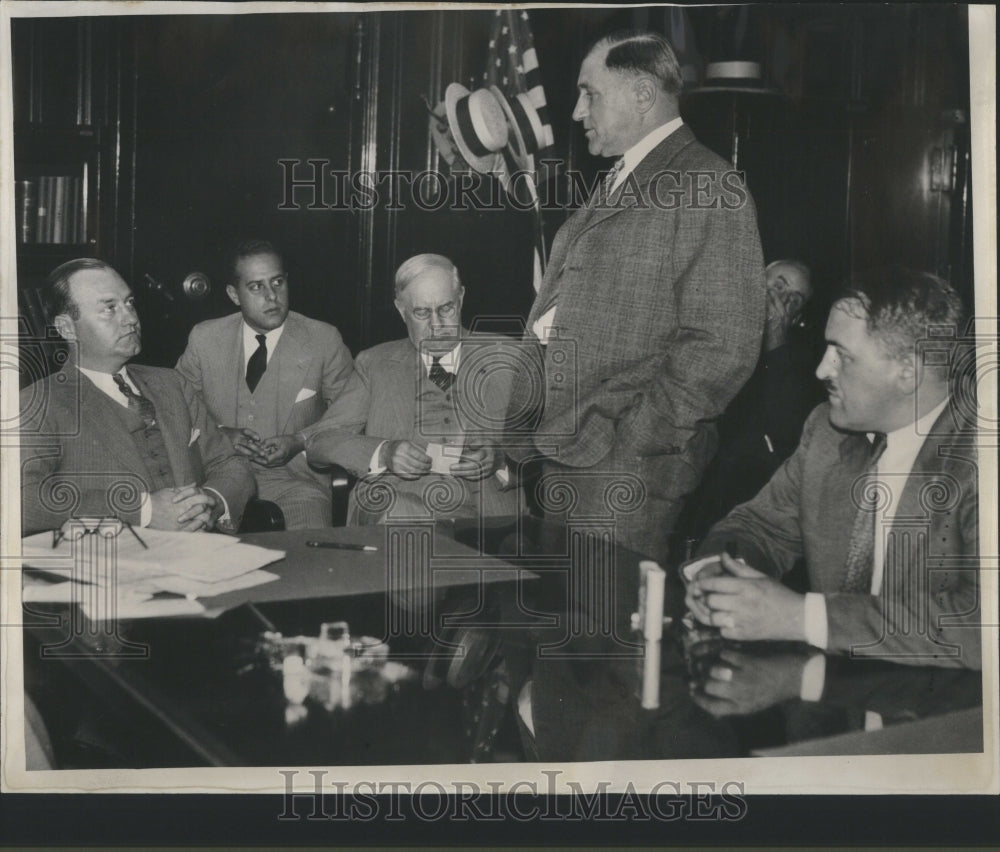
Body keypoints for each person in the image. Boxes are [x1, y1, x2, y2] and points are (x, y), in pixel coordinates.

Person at [504, 30, 766, 563]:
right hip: (568, 451)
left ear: (643, 95)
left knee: (605, 634)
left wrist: (632, 443)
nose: (578, 111)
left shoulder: (708, 183)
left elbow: (722, 345)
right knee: (571, 632)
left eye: (589, 93)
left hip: (626, 469)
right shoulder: (621, 177)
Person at [685, 267, 980, 674]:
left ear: (908, 372)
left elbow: (982, 625)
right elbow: (759, 527)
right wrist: (719, 575)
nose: (823, 370)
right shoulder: (826, 431)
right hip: (829, 703)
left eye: (842, 355)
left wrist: (802, 617)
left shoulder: (981, 459)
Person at [259, 254, 519, 524]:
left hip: (493, 518)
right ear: (400, 309)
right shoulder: (375, 364)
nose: (437, 325)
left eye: (446, 308)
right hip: (402, 505)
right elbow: (321, 442)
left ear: (461, 298)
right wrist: (384, 452)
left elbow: (547, 449)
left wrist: (501, 460)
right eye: (421, 313)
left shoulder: (509, 357)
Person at [20, 259, 254, 535]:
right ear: (67, 328)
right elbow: (19, 500)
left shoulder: (172, 384)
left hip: (202, 551)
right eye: (110, 308)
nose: (131, 318)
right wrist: (142, 510)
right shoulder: (38, 403)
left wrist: (211, 503)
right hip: (115, 563)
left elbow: (229, 463)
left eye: (129, 303)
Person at [176, 238, 354, 528]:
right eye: (256, 287)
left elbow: (350, 418)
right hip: (216, 479)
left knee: (308, 554)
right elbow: (176, 409)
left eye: (277, 282)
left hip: (295, 484)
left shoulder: (323, 339)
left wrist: (300, 442)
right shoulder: (205, 338)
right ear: (234, 295)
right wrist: (221, 434)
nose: (272, 296)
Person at [684, 259, 823, 538]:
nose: (780, 300)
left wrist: (775, 341)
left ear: (796, 319)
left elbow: (783, 432)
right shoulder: (705, 317)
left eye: (793, 300)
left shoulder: (798, 365)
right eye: (777, 286)